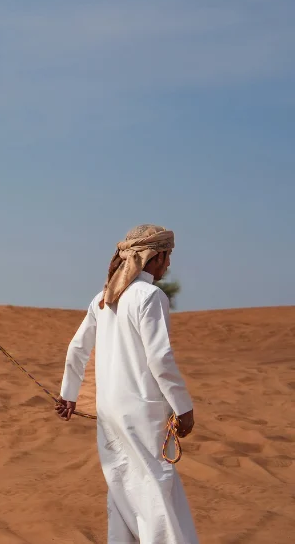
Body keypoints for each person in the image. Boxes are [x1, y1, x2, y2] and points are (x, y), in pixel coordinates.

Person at [56, 224, 199, 543]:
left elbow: (77, 347)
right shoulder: (150, 296)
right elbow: (160, 359)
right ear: (156, 256)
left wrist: (68, 395)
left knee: (121, 487)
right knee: (154, 487)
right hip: (142, 414)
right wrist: (183, 407)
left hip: (109, 413)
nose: (169, 264)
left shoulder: (103, 299)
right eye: (168, 256)